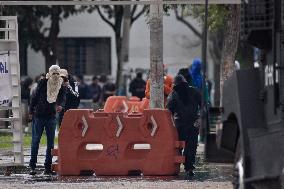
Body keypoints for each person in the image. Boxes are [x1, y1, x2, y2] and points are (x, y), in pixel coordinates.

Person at [29, 65, 66, 175]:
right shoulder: (43, 82)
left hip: (51, 116)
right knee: (35, 141)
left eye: (57, 73)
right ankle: (32, 166)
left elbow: (63, 98)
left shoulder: (61, 84)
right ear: (49, 73)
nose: (55, 75)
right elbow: (35, 97)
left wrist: (61, 105)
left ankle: (48, 167)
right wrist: (31, 111)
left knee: (50, 144)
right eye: (53, 73)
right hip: (39, 115)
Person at [166, 75, 201, 178]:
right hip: (186, 124)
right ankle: (188, 167)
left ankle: (186, 167)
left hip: (183, 124)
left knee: (184, 147)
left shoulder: (174, 94)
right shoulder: (193, 91)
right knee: (188, 147)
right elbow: (204, 104)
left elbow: (169, 111)